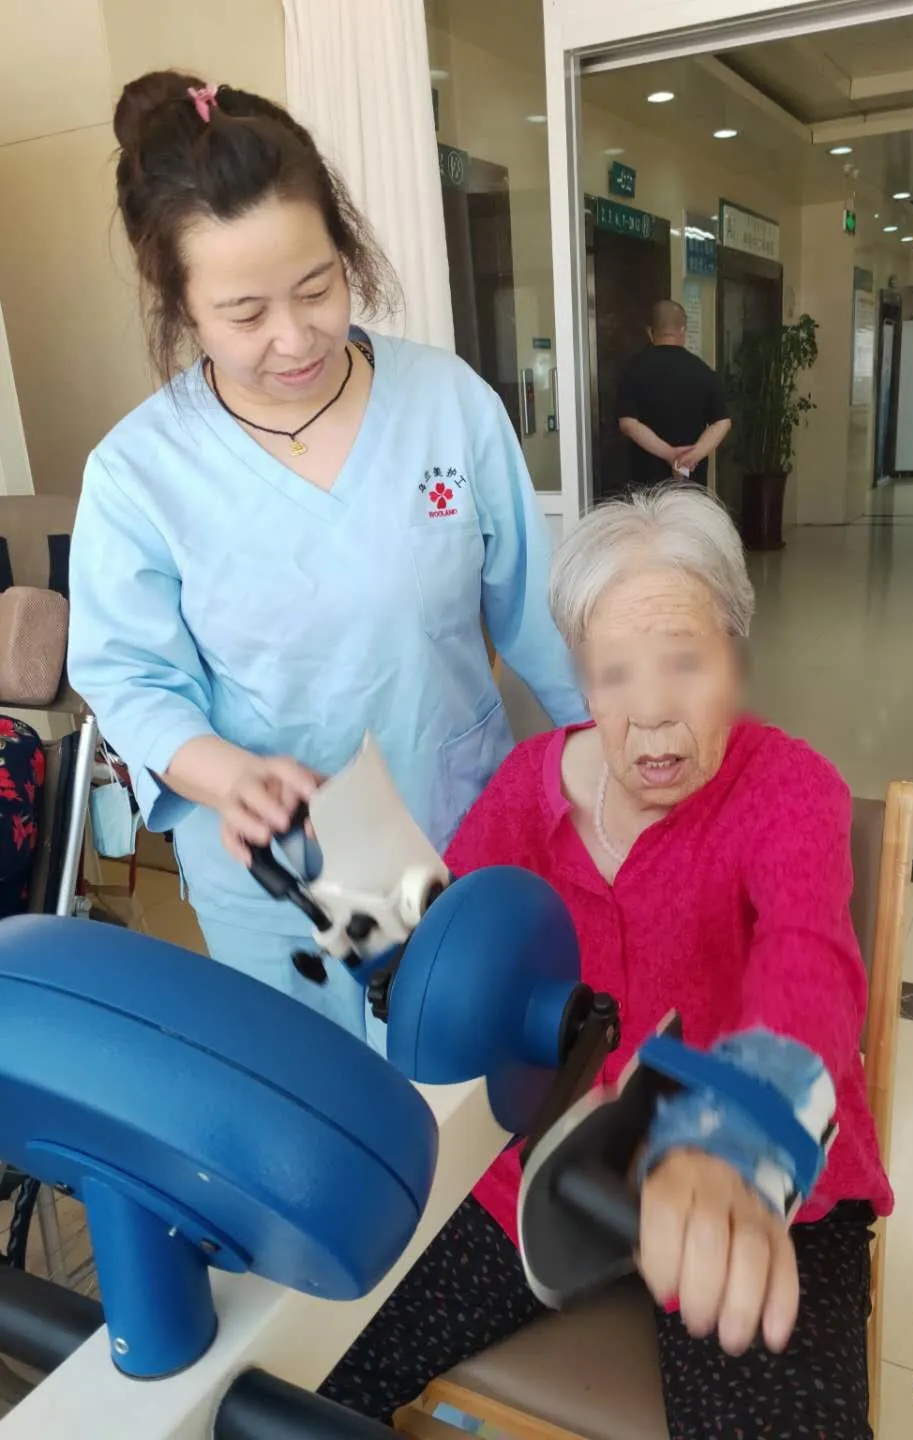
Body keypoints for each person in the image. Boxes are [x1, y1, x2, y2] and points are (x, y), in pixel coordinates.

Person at [321, 486, 891, 1438]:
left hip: (741, 1192)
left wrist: (734, 1140)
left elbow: (812, 963)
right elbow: (441, 950)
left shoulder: (789, 787)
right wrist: (332, 866)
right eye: (615, 673)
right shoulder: (528, 786)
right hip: (542, 1173)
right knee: (309, 1373)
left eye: (686, 664)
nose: (652, 712)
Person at [67, 71, 584, 1045]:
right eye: (244, 313)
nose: (294, 336)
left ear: (346, 248)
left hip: (450, 823)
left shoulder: (447, 404)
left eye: (317, 288)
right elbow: (127, 673)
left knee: (455, 1081)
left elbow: (539, 611)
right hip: (281, 868)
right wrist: (221, 773)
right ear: (180, 305)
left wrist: (615, 753)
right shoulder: (139, 472)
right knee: (321, 1103)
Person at [617, 300, 732, 490]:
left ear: (650, 332)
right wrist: (691, 456)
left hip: (646, 484)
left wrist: (670, 454)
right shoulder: (703, 372)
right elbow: (722, 422)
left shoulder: (632, 370)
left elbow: (628, 424)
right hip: (691, 482)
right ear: (683, 330)